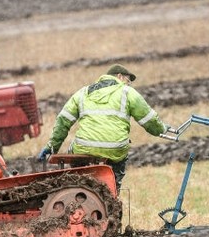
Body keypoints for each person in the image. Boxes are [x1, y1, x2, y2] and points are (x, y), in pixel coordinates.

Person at [38, 64, 167, 192]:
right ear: (119, 76)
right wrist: (162, 130)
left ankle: (79, 185)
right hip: (115, 148)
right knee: (119, 159)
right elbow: (149, 119)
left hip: (84, 146)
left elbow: (63, 121)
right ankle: (113, 191)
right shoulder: (127, 92)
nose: (129, 84)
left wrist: (51, 147)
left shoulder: (83, 92)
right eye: (128, 80)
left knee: (73, 149)